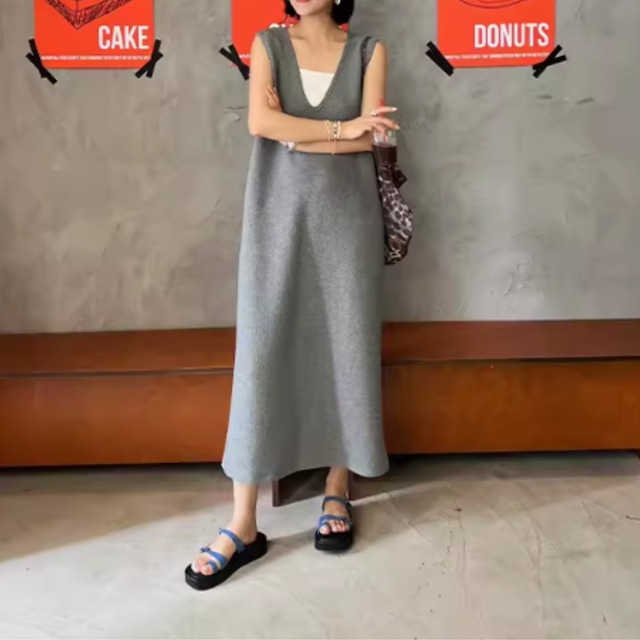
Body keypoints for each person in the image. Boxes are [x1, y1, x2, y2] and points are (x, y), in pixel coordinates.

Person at [185, 0, 399, 590]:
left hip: (348, 223)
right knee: (261, 350)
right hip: (275, 218)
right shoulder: (268, 45)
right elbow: (261, 124)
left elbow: (373, 139)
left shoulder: (369, 51)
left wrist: (299, 134)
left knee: (346, 346)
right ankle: (243, 521)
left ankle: (338, 485)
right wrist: (340, 129)